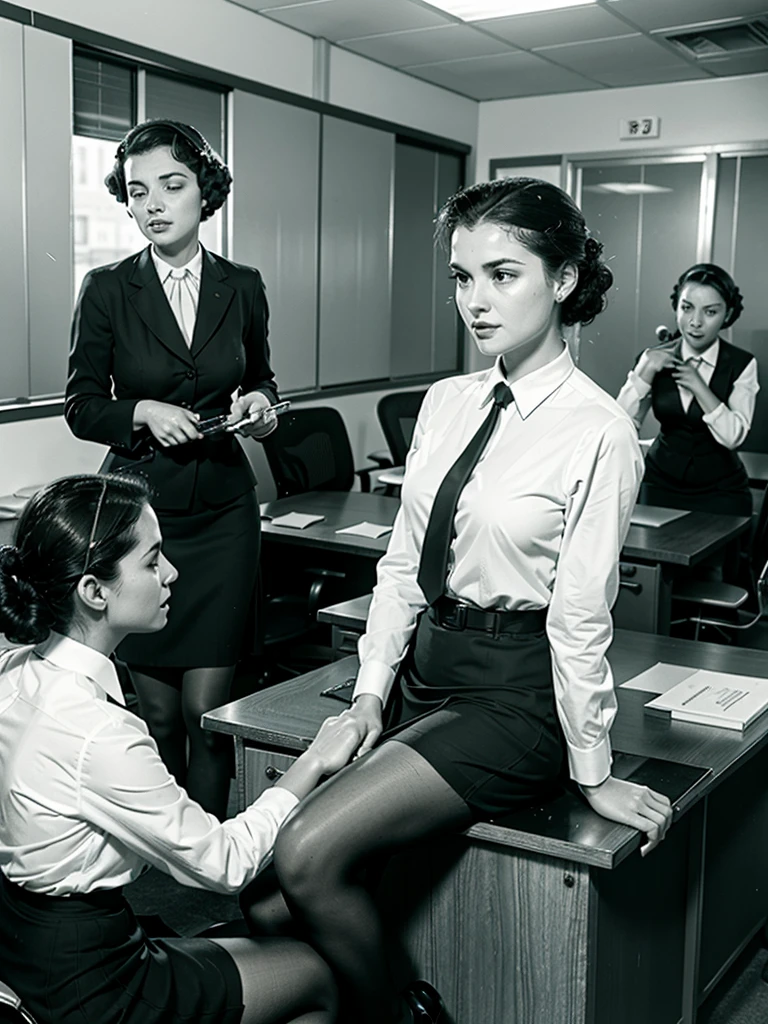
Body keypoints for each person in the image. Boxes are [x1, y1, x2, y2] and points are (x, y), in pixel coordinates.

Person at [239, 178, 674, 1024]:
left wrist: (596, 772)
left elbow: (581, 619)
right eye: (461, 277)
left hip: (515, 698)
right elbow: (403, 565)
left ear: (565, 279)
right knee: (260, 889)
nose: (474, 302)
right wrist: (369, 693)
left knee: (305, 853)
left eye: (502, 274)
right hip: (422, 674)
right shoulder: (447, 402)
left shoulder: (599, 431)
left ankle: (403, 1015)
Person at [0, 473, 361, 1024]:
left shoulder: (12, 672)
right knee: (314, 976)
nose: (171, 573)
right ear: (94, 591)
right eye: (152, 560)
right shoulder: (100, 733)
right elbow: (226, 864)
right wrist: (313, 759)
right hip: (90, 982)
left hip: (22, 948)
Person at [65, 119, 279, 818]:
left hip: (223, 514)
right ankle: (163, 851)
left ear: (204, 193)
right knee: (154, 718)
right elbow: (81, 406)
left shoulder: (242, 286)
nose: (153, 203)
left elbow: (265, 381)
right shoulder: (106, 288)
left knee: (206, 715)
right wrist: (142, 412)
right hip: (138, 520)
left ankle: (209, 854)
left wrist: (259, 404)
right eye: (137, 191)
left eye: (172, 185)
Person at [616, 263, 757, 517]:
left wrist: (698, 385)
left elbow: (733, 436)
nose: (695, 322)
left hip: (721, 493)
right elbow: (619, 426)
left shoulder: (742, 363)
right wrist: (644, 372)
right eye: (686, 308)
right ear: (676, 307)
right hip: (658, 485)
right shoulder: (651, 359)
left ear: (727, 314)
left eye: (710, 312)